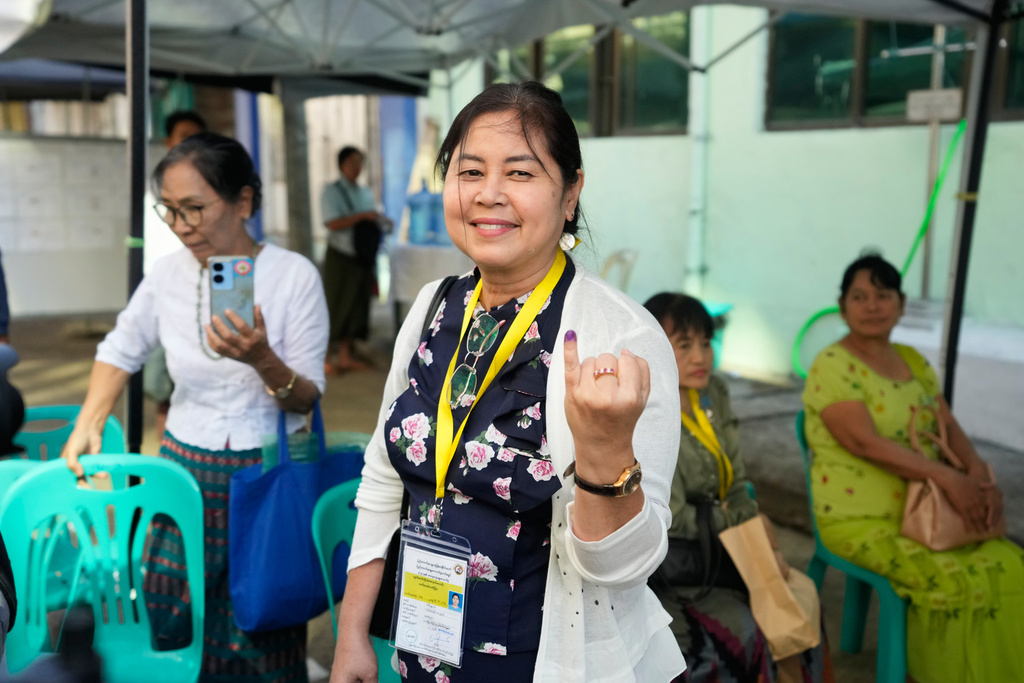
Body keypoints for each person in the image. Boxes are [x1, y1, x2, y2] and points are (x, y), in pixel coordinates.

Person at [329, 81, 686, 683]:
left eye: (520, 174)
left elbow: (628, 566)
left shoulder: (620, 338)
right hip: (426, 645)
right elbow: (384, 473)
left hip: (545, 661)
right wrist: (350, 634)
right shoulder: (430, 308)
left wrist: (603, 458)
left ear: (571, 191)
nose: (488, 194)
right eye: (469, 171)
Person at [62, 132, 329, 682]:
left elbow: (307, 396)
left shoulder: (294, 276)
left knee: (260, 618)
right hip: (183, 470)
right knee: (172, 611)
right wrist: (89, 420)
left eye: (195, 209)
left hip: (264, 475)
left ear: (244, 202)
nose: (182, 226)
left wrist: (262, 360)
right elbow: (120, 349)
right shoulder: (165, 274)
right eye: (170, 211)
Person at [802, 254, 1024, 683]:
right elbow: (863, 441)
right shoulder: (831, 364)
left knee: (1011, 567)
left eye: (883, 296)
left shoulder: (914, 361)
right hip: (863, 520)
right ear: (842, 305)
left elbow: (948, 426)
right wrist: (946, 477)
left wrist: (980, 480)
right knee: (951, 580)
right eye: (859, 297)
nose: (871, 306)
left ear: (902, 304)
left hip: (934, 512)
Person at [643, 293, 833, 683]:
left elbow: (738, 482)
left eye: (705, 343)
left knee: (805, 598)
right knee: (748, 629)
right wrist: (743, 524)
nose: (701, 357)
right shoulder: (648, 410)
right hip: (677, 563)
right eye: (684, 345)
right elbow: (672, 518)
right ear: (653, 346)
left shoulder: (714, 393)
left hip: (724, 542)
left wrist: (754, 524)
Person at [143, 110, 210, 441]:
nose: (182, 221)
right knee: (163, 386)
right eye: (183, 135)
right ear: (169, 140)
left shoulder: (211, 187)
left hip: (203, 292)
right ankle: (167, 447)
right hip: (166, 294)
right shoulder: (156, 188)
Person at [320, 146, 386, 374]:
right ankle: (326, 359)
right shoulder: (332, 191)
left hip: (362, 255)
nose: (356, 167)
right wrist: (363, 217)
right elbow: (332, 223)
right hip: (340, 254)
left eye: (360, 162)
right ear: (341, 165)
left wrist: (378, 220)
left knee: (356, 306)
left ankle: (346, 358)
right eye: (352, 162)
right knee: (335, 305)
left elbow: (370, 220)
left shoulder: (364, 192)